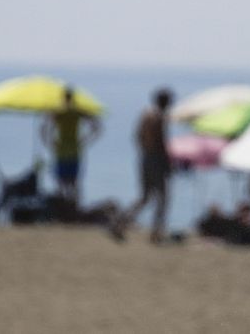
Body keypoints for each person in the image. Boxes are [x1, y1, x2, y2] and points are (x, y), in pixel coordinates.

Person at [114, 88, 174, 243]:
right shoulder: (159, 117)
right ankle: (156, 233)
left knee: (145, 197)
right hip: (155, 159)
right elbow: (161, 142)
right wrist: (167, 162)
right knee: (163, 198)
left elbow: (137, 137)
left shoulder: (145, 115)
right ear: (166, 102)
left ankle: (120, 223)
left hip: (145, 158)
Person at [41, 86, 101, 204]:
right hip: (75, 149)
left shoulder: (59, 112)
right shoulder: (77, 112)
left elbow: (44, 129)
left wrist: (49, 142)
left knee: (61, 182)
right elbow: (96, 126)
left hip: (61, 150)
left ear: (63, 98)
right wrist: (86, 140)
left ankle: (63, 208)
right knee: (74, 182)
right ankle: (75, 208)